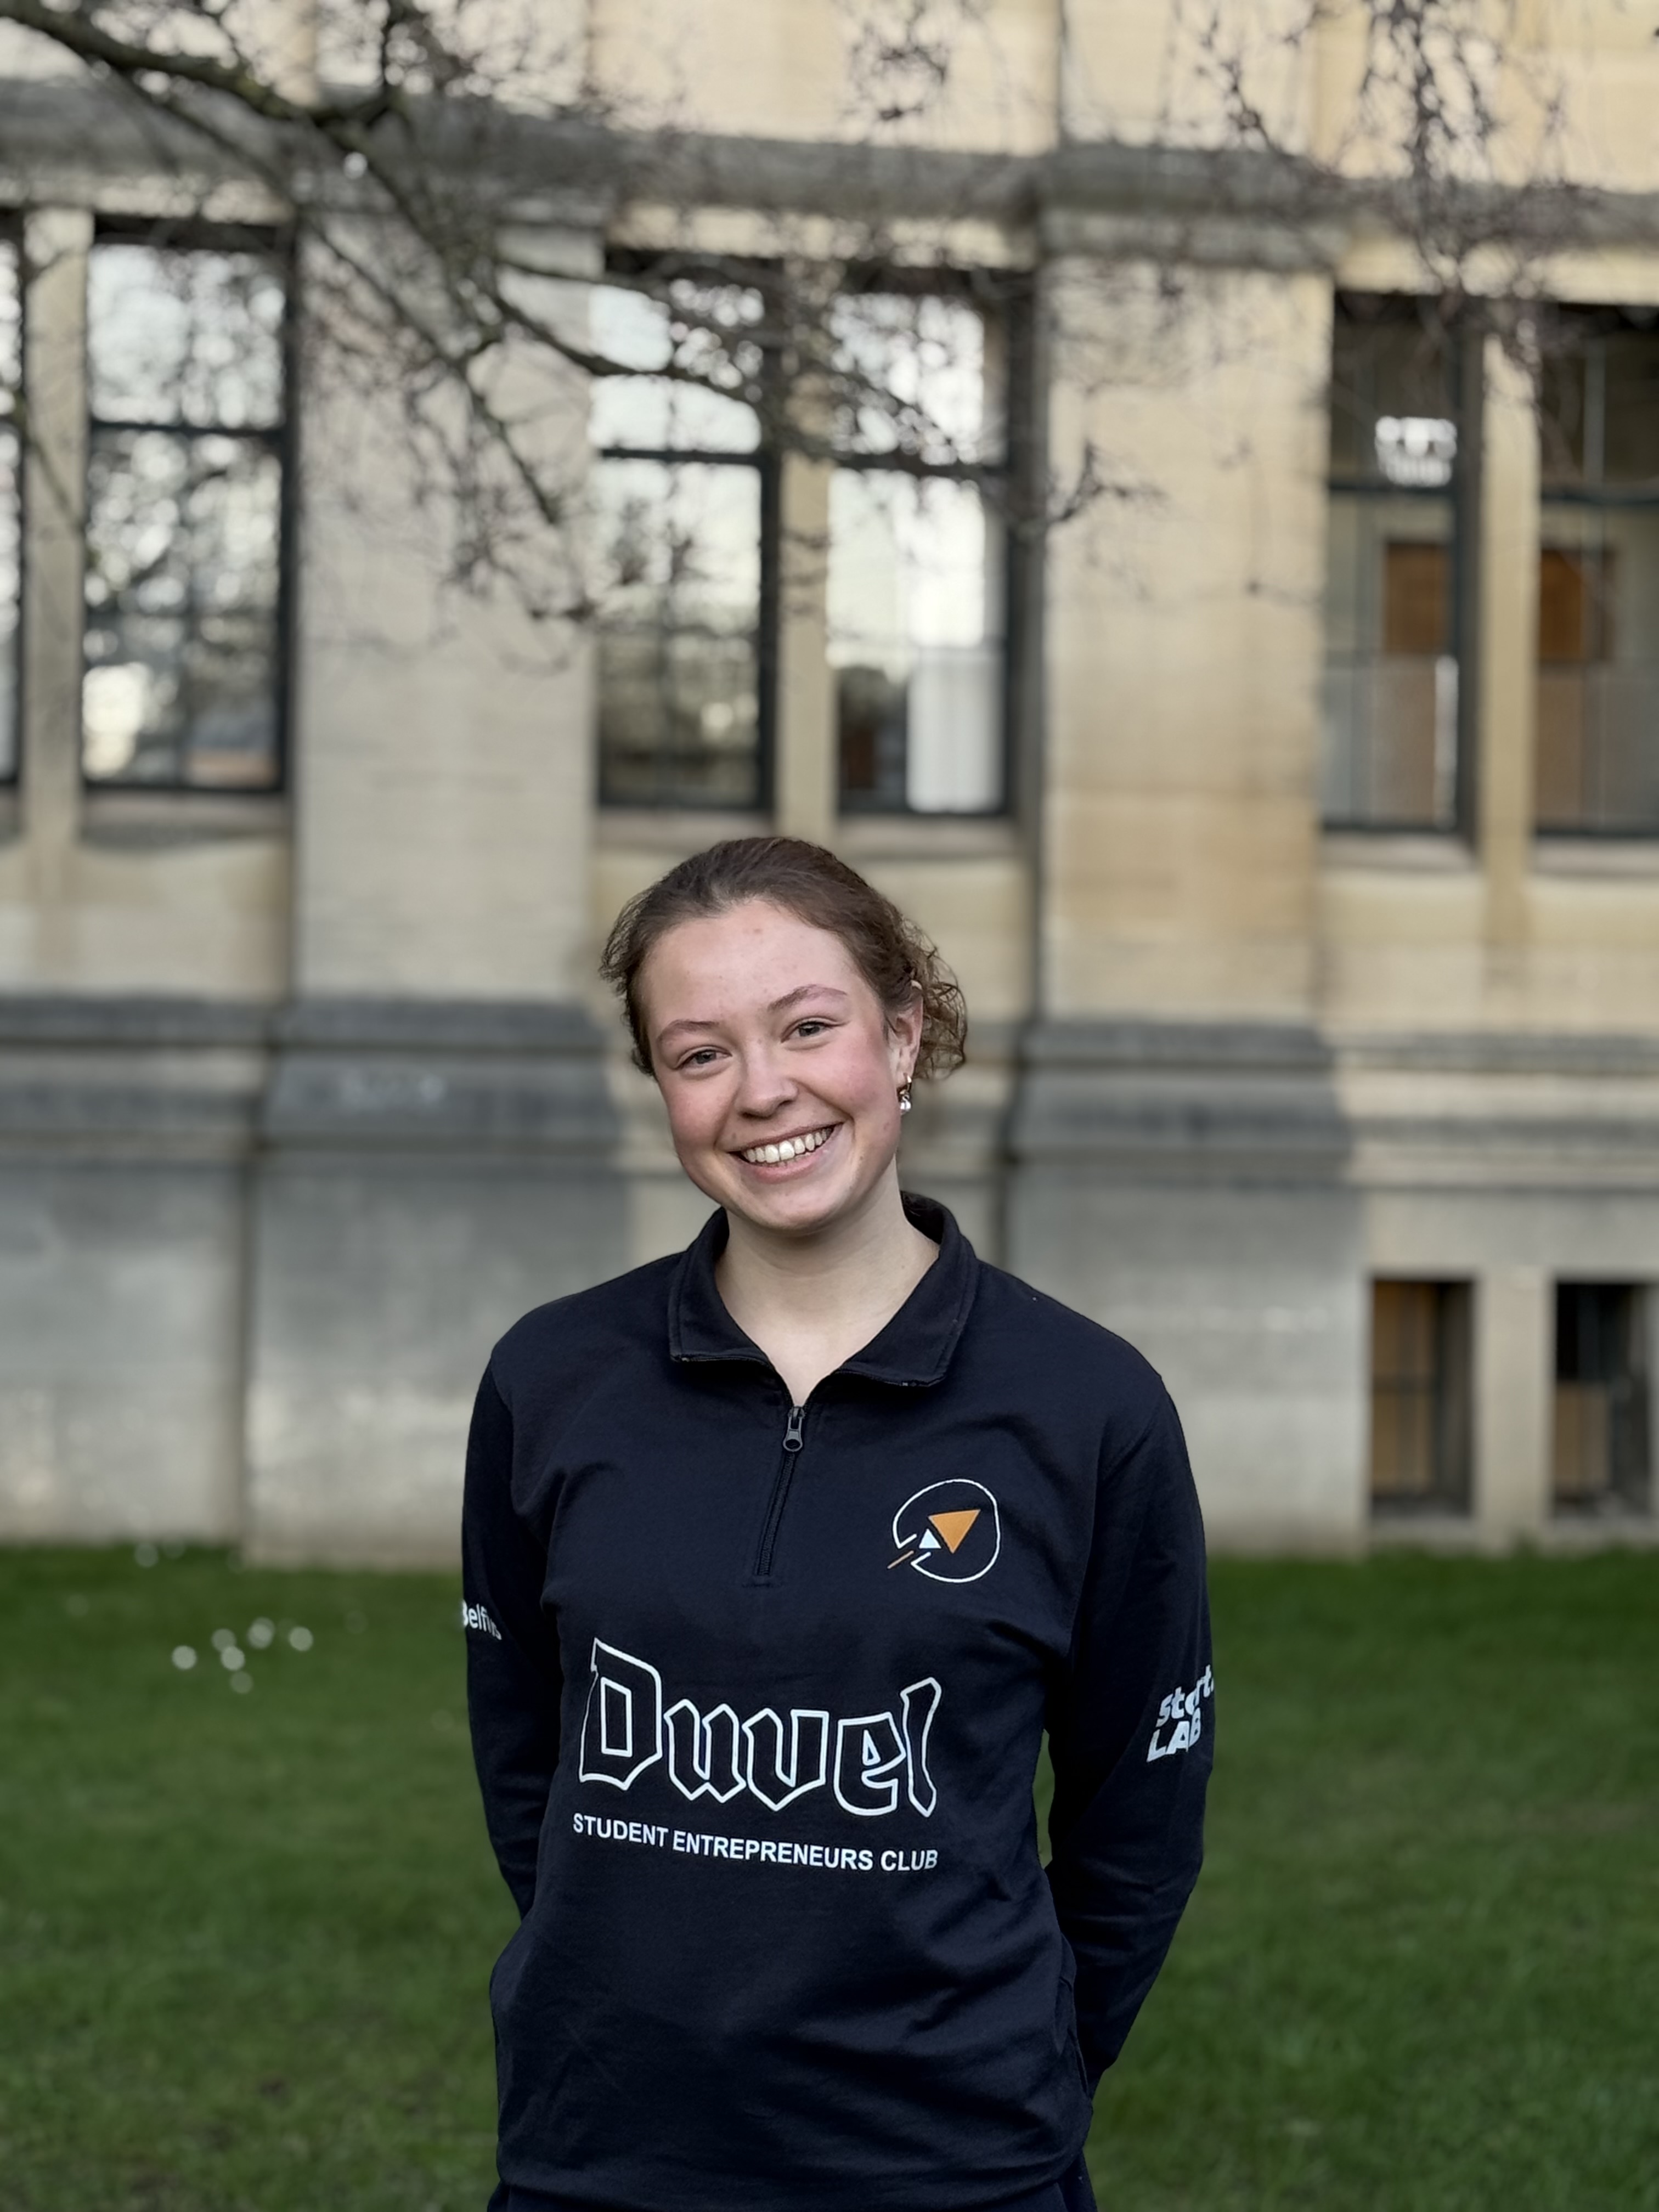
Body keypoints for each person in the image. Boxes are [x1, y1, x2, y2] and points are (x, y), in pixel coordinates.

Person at [462, 836, 1214, 2212]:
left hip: (952, 2162)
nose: (764, 1092)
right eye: (699, 1055)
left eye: (808, 1027)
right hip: (604, 2151)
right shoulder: (550, 1381)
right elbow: (525, 1762)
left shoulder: (1088, 1407)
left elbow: (1140, 1816)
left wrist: (1027, 2059)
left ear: (905, 1034)